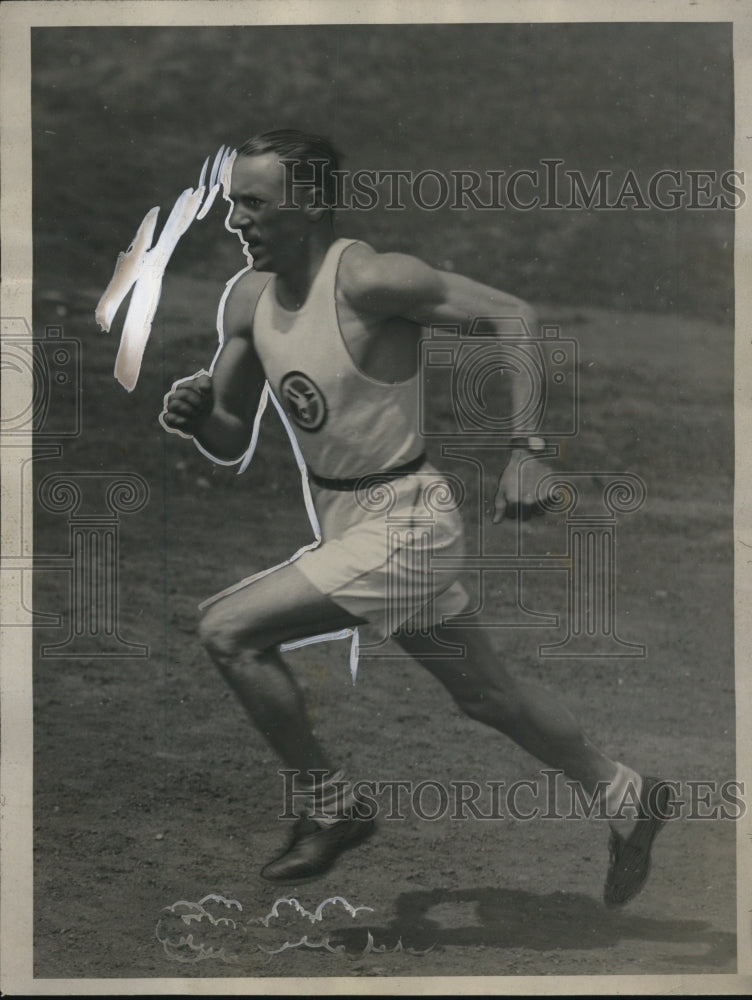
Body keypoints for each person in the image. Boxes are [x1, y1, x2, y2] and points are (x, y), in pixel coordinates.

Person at [161, 129, 668, 905]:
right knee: (486, 697)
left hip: (406, 522)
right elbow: (231, 436)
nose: (238, 220)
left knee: (227, 630)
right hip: (351, 525)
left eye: (255, 204)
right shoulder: (246, 301)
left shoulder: (369, 281)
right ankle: (625, 794)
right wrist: (200, 416)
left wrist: (527, 447)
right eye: (235, 204)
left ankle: (330, 806)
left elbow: (513, 315)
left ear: (314, 205)